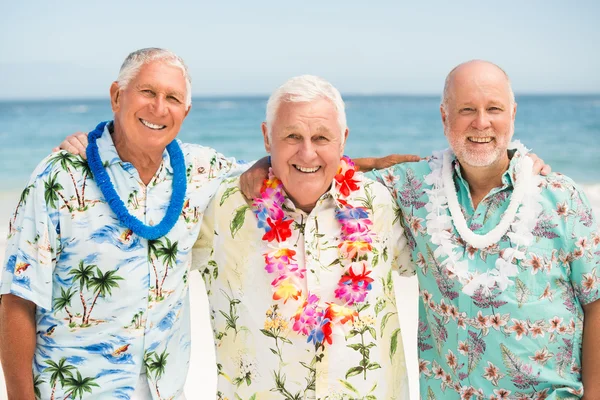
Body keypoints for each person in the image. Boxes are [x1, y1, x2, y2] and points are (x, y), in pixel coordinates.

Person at [0, 48, 247, 400]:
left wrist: (348, 167)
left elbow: (281, 170)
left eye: (172, 98)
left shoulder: (201, 170)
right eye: (147, 92)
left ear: (185, 112)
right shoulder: (60, 177)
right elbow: (17, 298)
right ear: (117, 95)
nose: (159, 108)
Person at [360, 60, 600, 398]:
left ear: (512, 114)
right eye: (467, 109)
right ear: (445, 116)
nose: (481, 122)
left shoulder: (560, 195)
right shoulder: (412, 187)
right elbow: (320, 175)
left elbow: (596, 301)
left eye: (494, 109)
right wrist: (267, 164)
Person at [192, 75, 415, 399]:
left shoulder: (380, 202)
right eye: (292, 136)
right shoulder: (222, 205)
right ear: (267, 138)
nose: (307, 152)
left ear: (343, 139)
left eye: (321, 137)